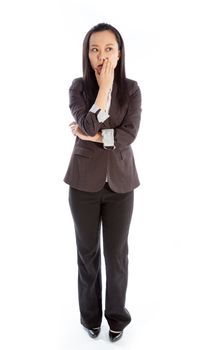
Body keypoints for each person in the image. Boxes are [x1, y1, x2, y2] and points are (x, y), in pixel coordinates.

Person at [63, 22, 142, 342]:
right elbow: (86, 120)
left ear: (119, 53)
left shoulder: (133, 89)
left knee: (117, 254)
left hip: (121, 185)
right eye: (95, 49)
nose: (102, 56)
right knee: (87, 253)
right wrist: (104, 89)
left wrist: (92, 137)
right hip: (82, 185)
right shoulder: (78, 88)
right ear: (87, 53)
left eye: (109, 49)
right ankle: (90, 317)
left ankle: (117, 316)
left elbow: (129, 135)